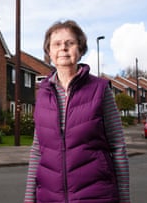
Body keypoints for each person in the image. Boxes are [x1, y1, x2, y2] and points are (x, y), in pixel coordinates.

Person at [24, 20, 130, 203]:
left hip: (96, 195)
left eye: (70, 43)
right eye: (56, 44)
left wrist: (125, 199)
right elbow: (37, 150)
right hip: (49, 197)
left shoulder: (100, 89)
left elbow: (118, 147)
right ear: (49, 52)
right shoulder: (42, 94)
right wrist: (29, 198)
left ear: (80, 50)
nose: (63, 48)